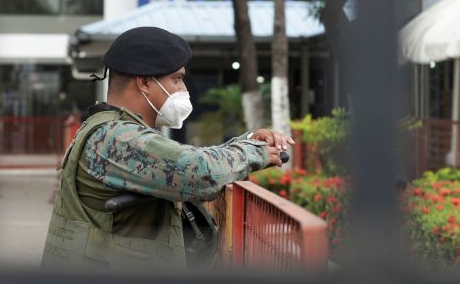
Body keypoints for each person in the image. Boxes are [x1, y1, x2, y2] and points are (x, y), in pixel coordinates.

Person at [42, 27, 293, 270]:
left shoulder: (114, 130)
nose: (183, 90)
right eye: (177, 79)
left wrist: (246, 139)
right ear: (145, 83)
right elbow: (199, 173)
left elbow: (178, 161)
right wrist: (254, 151)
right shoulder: (117, 138)